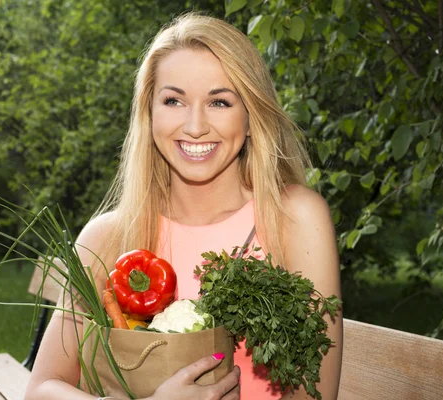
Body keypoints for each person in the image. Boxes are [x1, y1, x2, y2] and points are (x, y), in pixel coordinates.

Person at [24, 12, 342, 400]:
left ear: (251, 116)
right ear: (149, 112)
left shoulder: (295, 217)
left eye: (219, 102)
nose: (194, 126)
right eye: (174, 100)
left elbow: (315, 394)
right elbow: (41, 388)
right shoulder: (108, 236)